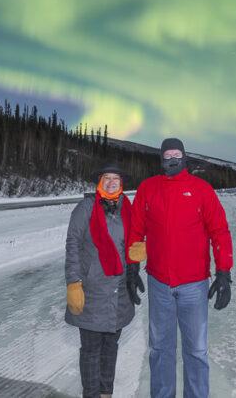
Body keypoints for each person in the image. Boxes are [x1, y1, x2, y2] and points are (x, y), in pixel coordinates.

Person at [127, 138, 233, 398]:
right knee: (160, 350)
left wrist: (224, 272)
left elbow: (219, 231)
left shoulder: (201, 189)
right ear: (161, 158)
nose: (172, 159)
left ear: (184, 157)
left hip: (194, 285)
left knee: (196, 351)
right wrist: (132, 267)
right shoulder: (147, 189)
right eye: (167, 155)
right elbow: (136, 231)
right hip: (159, 282)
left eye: (177, 154)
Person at [65, 163, 146, 398]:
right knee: (91, 350)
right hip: (92, 290)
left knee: (111, 346)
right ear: (99, 182)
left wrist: (134, 268)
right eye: (107, 178)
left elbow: (134, 240)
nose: (112, 182)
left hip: (119, 291)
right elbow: (73, 245)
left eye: (116, 179)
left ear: (122, 184)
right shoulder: (85, 208)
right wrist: (73, 282)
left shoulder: (127, 208)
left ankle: (105, 393)